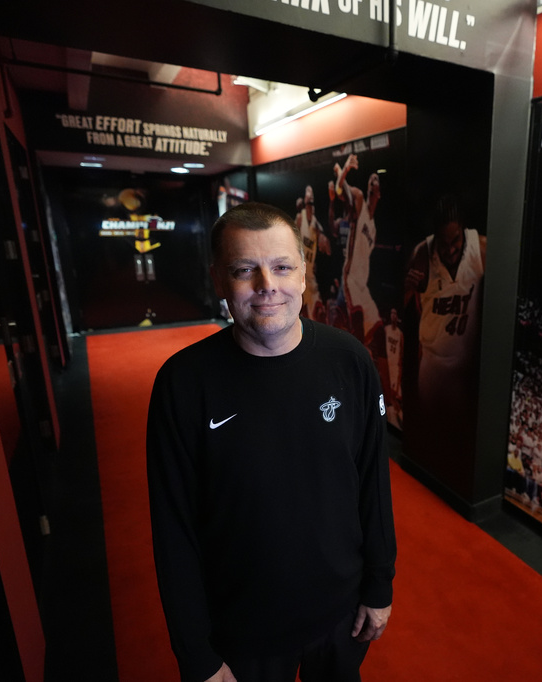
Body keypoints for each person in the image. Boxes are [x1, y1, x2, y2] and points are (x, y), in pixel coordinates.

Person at [146, 202, 396, 682]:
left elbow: (373, 483)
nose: (267, 287)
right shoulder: (182, 384)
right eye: (245, 271)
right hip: (240, 633)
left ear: (304, 274)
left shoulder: (350, 361)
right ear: (219, 281)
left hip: (341, 615)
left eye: (282, 267)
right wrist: (194, 651)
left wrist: (379, 584)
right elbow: (172, 529)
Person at [404, 194, 486, 413]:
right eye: (444, 243)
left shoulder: (482, 250)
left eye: (455, 241)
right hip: (433, 367)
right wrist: (408, 287)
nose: (450, 250)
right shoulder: (422, 254)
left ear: (463, 231)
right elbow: (403, 307)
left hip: (467, 368)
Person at [339, 157, 384, 351]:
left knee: (380, 332)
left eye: (376, 180)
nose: (372, 181)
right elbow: (341, 188)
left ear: (379, 193)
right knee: (357, 333)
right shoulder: (358, 200)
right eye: (370, 179)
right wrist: (346, 169)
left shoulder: (374, 230)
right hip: (350, 278)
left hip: (363, 285)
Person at [294, 184, 331, 322]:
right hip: (299, 274)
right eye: (308, 203)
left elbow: (327, 249)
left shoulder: (316, 225)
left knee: (319, 314)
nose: (310, 206)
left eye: (312, 203)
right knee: (300, 315)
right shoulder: (300, 218)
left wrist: (323, 240)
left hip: (310, 276)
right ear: (305, 203)